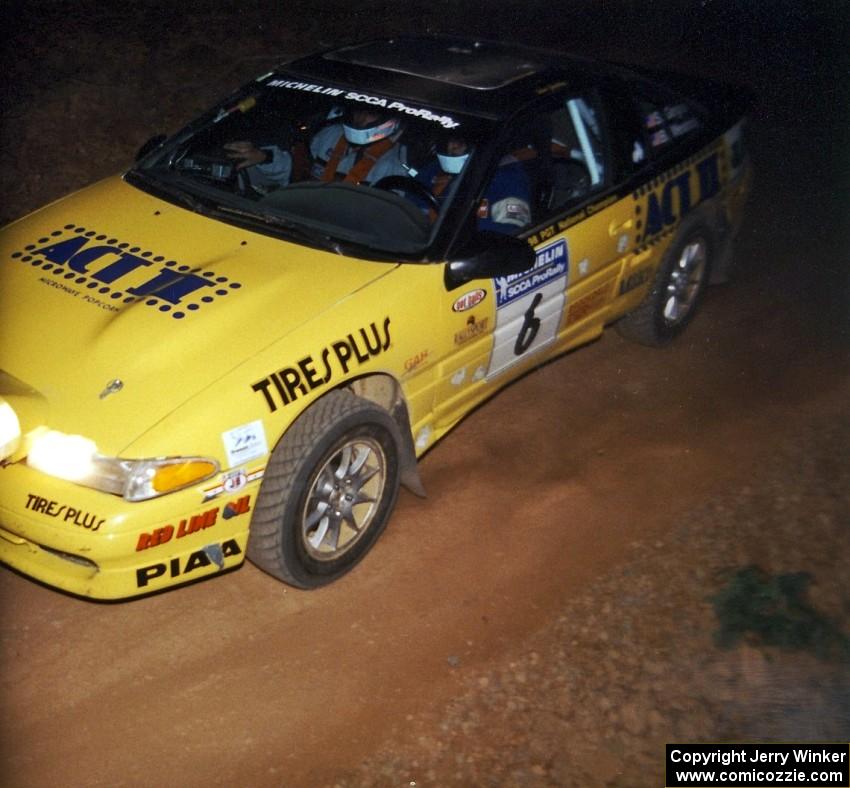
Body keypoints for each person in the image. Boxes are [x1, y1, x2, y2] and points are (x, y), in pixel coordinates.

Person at [224, 109, 408, 189]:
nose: (360, 119)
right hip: (303, 217)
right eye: (359, 110)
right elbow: (298, 172)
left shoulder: (398, 164)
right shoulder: (330, 135)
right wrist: (264, 157)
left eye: (371, 113)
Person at [416, 135, 532, 234]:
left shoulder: (507, 179)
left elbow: (510, 233)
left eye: (460, 142)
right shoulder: (435, 168)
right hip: (419, 243)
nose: (453, 146)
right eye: (450, 140)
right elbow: (408, 208)